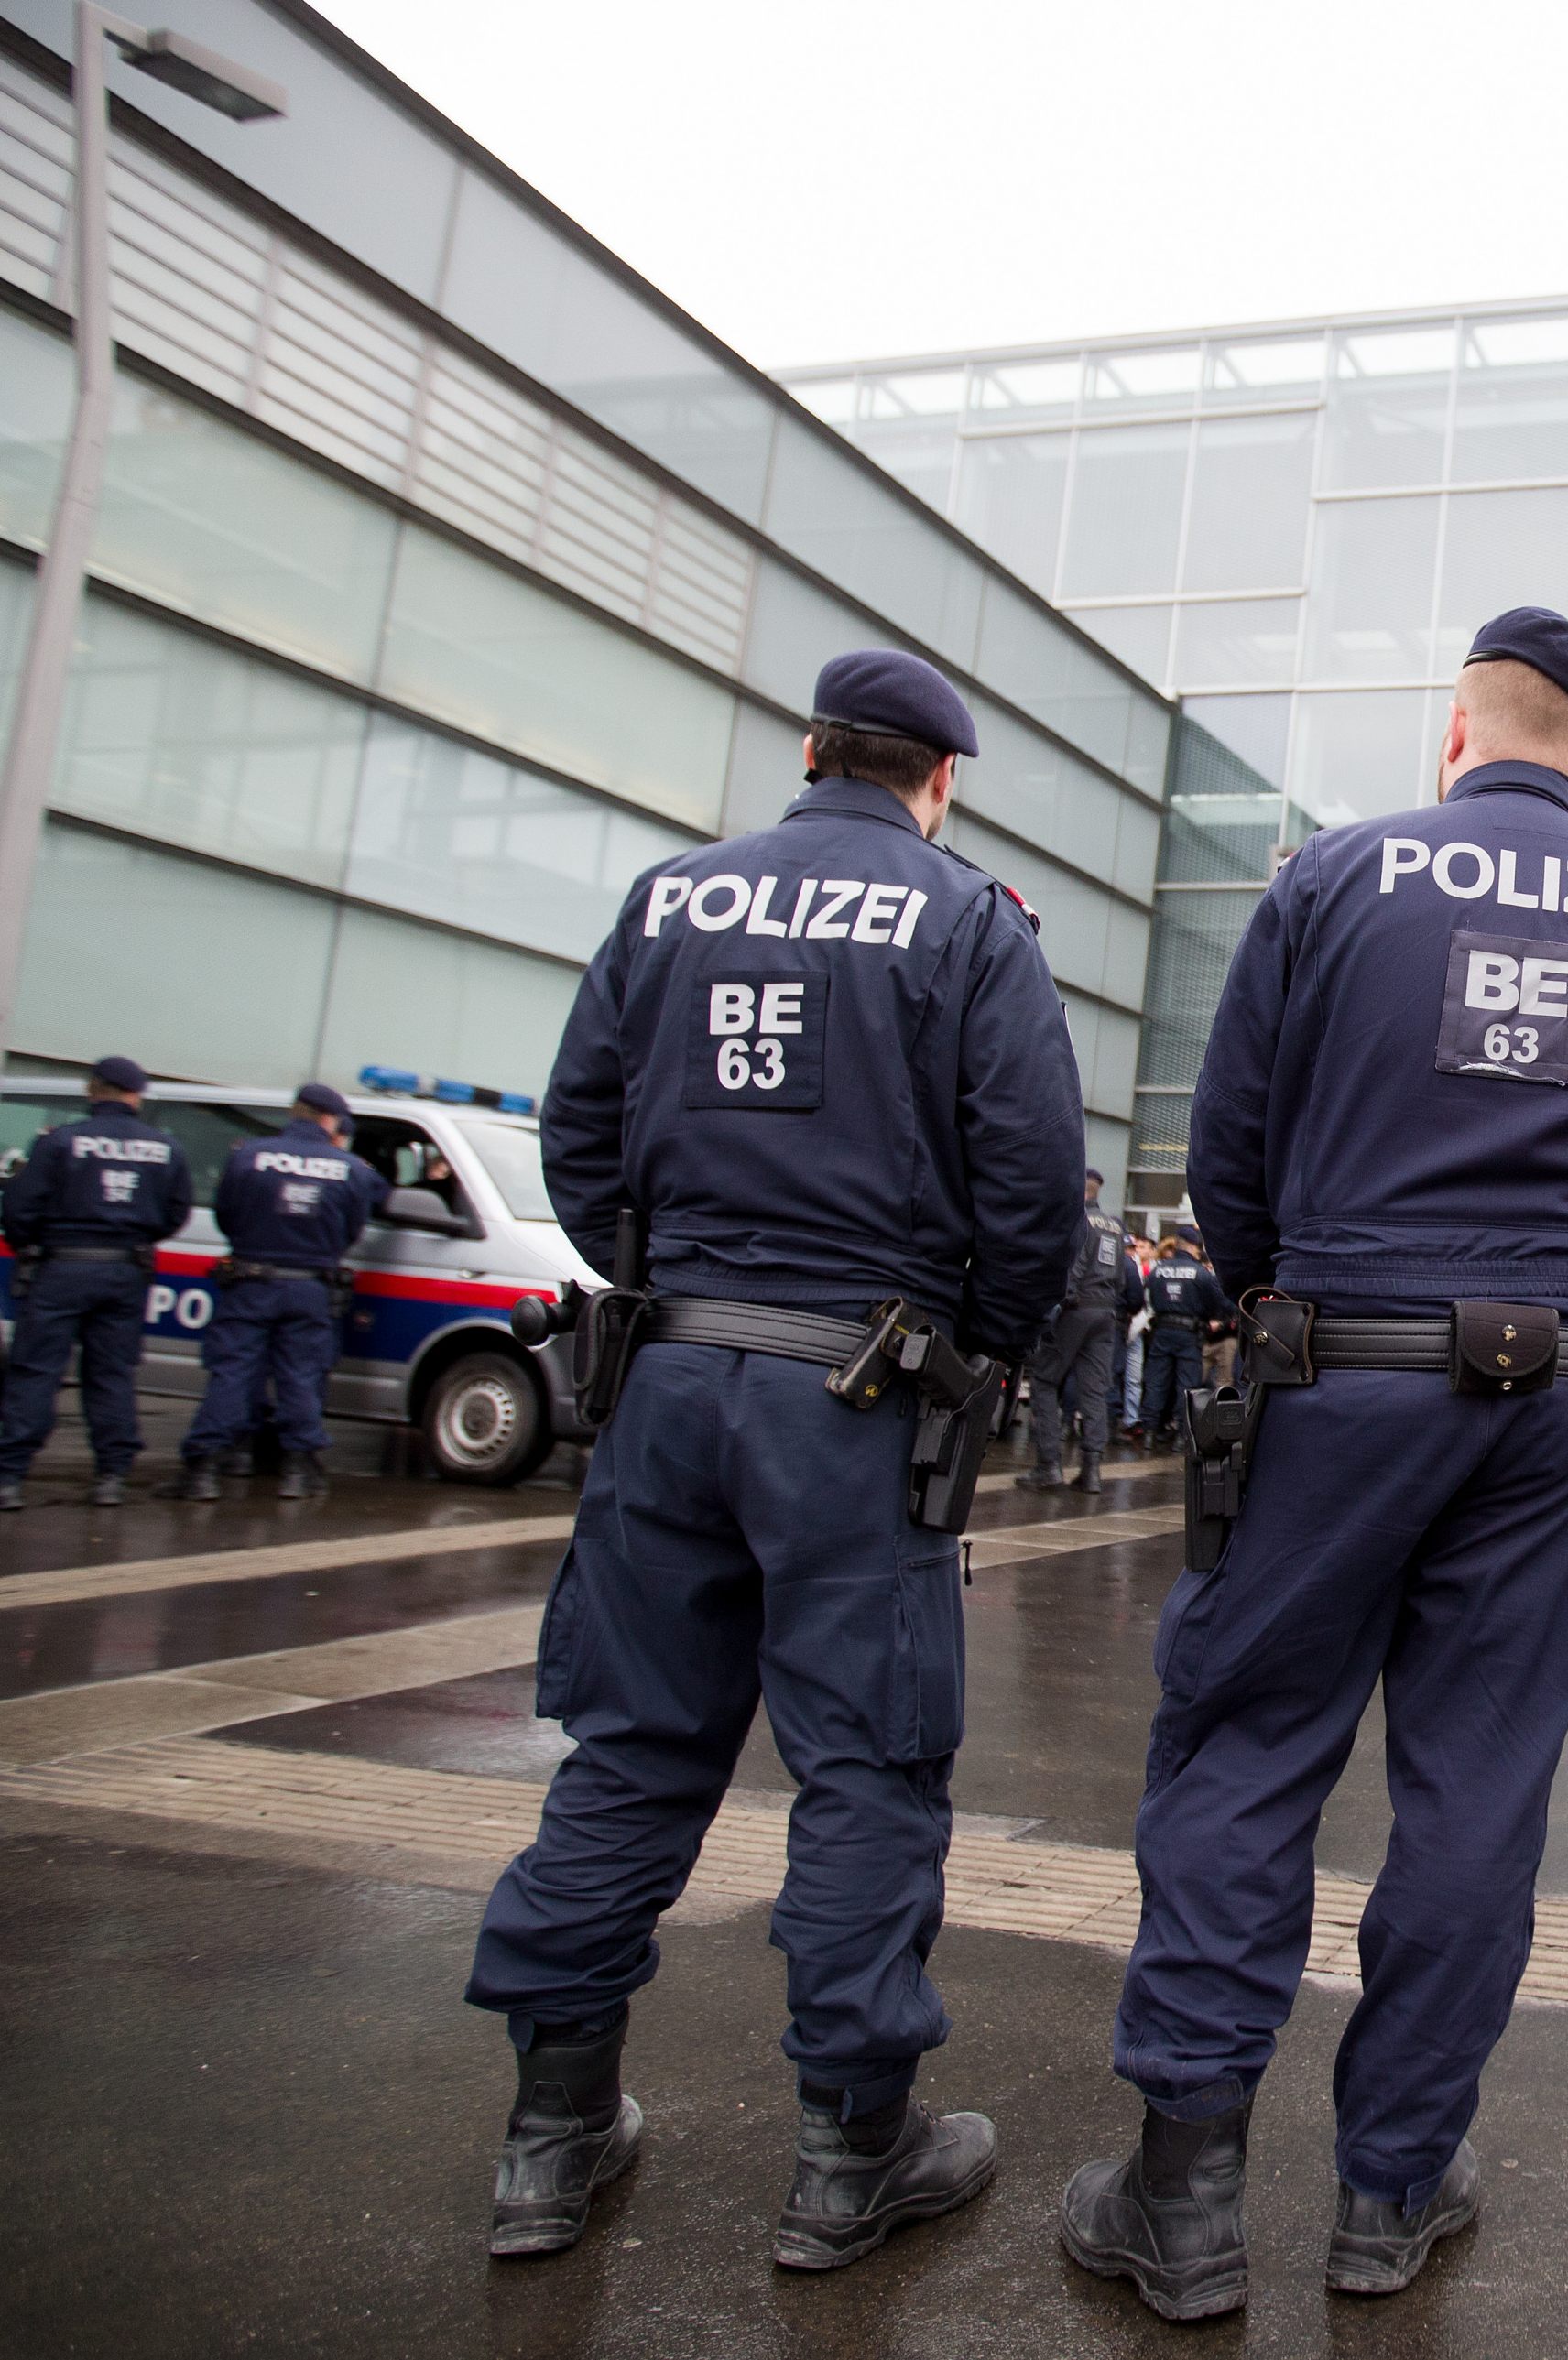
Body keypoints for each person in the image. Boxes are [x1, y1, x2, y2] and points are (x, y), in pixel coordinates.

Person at [1061, 609, 1568, 2320]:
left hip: (1336, 1372)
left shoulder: (1335, 875)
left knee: (1248, 1749)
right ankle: (1393, 2189)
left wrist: (1306, 1294)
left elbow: (1230, 1156)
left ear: (1460, 732)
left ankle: (1185, 2193)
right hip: (1556, 1396)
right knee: (1476, 1791)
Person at [463, 651, 1082, 2269]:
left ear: (810, 753)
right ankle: (846, 2154)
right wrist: (975, 1348)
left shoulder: (670, 901)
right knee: (866, 1768)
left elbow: (580, 1135)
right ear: (938, 779)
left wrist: (673, 1286)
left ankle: (549, 2136)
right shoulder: (965, 919)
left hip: (667, 1378)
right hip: (859, 1396)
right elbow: (1031, 1188)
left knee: (632, 1747)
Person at [166, 1082, 387, 1502]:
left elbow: (227, 1215)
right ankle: (299, 1473)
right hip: (310, 1287)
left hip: (250, 1282)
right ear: (332, 1121)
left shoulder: (248, 1155)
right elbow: (352, 1229)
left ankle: (202, 1472)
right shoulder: (351, 1169)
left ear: (295, 1114)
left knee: (231, 1374)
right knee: (301, 1376)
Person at [0, 1055, 192, 1510]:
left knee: (36, 1370)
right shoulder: (165, 1146)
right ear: (136, 1095)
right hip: (125, 1273)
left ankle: (9, 1478)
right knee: (111, 1375)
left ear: (92, 1090)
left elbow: (19, 1209)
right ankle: (112, 1476)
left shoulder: (61, 1142)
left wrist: (38, 1244)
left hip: (61, 1268)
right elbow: (176, 1211)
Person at [1020, 1170, 1131, 1492]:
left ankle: (1048, 1465)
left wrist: (1057, 1305)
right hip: (1106, 1311)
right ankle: (1092, 1470)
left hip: (1076, 1310)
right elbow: (1122, 1279)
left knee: (1043, 1380)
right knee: (1094, 1390)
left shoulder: (1079, 1220)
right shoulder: (1114, 1226)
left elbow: (1074, 1268)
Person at [1134, 1228, 1230, 1452]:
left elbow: (1145, 1298)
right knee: (1186, 1385)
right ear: (1193, 1246)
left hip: (1162, 1331)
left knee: (1156, 1381)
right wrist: (1213, 1319)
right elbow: (1220, 1304)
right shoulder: (1201, 1273)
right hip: (1189, 1334)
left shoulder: (1158, 1271)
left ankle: (1149, 1431)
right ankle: (1181, 1435)